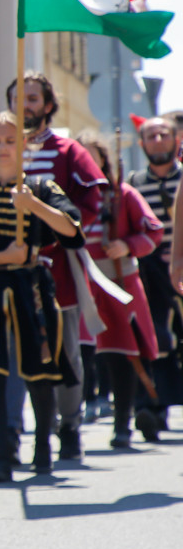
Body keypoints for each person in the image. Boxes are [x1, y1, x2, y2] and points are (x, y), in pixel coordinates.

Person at [0, 71, 106, 461]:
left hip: (57, 267)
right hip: (6, 270)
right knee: (11, 354)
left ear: (48, 105)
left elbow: (89, 206)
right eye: (17, 99)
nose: (24, 107)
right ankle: (10, 436)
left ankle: (68, 426)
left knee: (64, 352)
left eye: (32, 99)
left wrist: (52, 230)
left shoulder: (67, 151)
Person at [0, 112, 84, 482]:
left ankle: (43, 448)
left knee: (39, 370)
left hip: (31, 290)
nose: (3, 148)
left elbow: (73, 231)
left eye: (11, 141)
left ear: (24, 145)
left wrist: (34, 206)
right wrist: (3, 256)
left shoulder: (41, 187)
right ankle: (2, 455)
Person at [77, 131, 162, 447]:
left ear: (103, 159)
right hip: (80, 286)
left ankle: (124, 424)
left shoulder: (122, 194)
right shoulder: (67, 198)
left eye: (91, 154)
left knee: (121, 354)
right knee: (79, 355)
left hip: (116, 283)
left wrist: (126, 246)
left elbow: (152, 232)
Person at [129, 114, 183, 433]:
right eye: (151, 136)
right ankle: (151, 406)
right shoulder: (134, 184)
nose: (158, 141)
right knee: (153, 338)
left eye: (164, 134)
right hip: (150, 273)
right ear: (142, 143)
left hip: (181, 268)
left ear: (176, 139)